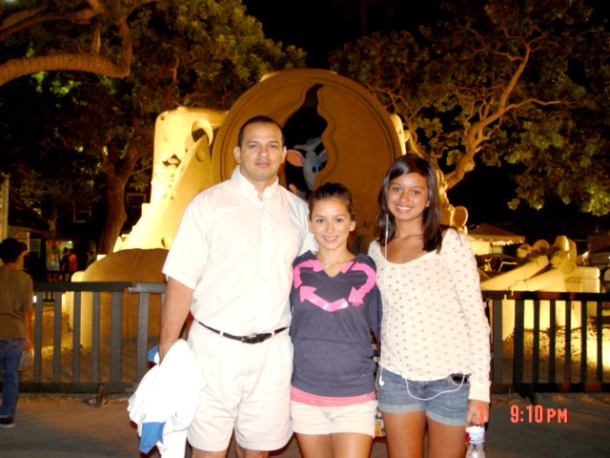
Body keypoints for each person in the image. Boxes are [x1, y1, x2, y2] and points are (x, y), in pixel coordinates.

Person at [159, 115, 315, 458]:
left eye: (273, 145)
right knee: (207, 451)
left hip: (273, 353)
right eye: (254, 145)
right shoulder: (207, 205)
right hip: (213, 350)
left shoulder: (301, 213)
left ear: (285, 153)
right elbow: (181, 280)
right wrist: (168, 350)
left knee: (256, 451)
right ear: (237, 152)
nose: (264, 153)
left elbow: (313, 282)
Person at [368, 154, 491, 458]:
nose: (404, 198)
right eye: (397, 188)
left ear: (428, 198)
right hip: (396, 379)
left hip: (450, 382)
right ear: (386, 193)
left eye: (415, 190)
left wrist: (480, 392)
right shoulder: (375, 249)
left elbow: (477, 321)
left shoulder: (450, 243)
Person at [289, 183, 382, 458]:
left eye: (338, 219)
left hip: (355, 395)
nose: (330, 229)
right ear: (310, 224)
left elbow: (382, 327)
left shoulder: (367, 269)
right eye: (321, 220)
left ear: (352, 223)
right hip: (305, 393)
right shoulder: (297, 268)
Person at [0, 238, 34, 429]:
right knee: (10, 374)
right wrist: (27, 337)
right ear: (19, 255)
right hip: (14, 332)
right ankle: (6, 415)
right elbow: (26, 311)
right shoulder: (24, 279)